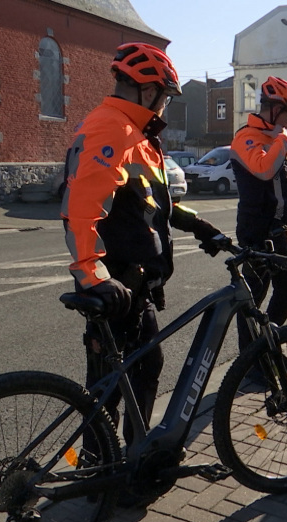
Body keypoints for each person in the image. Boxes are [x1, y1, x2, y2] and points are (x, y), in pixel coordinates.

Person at [61, 42, 226, 446]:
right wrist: (93, 276)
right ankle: (101, 472)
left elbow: (153, 206)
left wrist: (199, 225)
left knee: (144, 369)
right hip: (116, 286)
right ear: (148, 91)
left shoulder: (137, 135)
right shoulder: (110, 128)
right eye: (166, 97)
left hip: (137, 286)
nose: (165, 107)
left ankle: (134, 457)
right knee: (107, 388)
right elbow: (80, 209)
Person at [229, 76, 287, 355]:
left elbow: (279, 183)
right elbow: (262, 170)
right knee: (253, 299)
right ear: (273, 108)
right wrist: (281, 140)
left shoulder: (273, 140)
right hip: (256, 232)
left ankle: (267, 347)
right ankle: (251, 362)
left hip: (279, 231)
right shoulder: (246, 137)